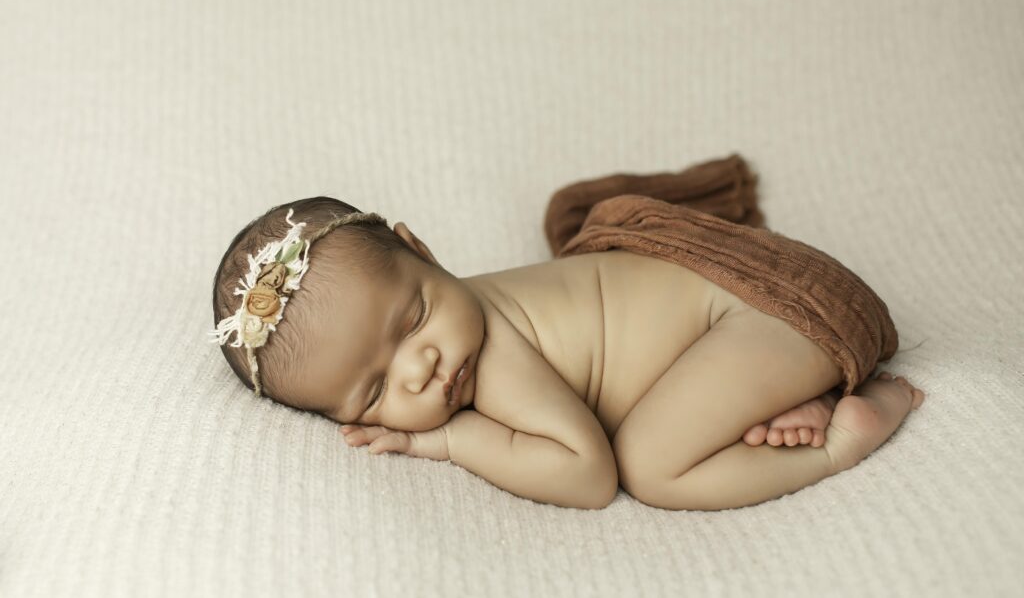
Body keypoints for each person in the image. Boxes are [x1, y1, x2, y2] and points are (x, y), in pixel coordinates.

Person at [209, 195, 924, 510]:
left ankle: (840, 440)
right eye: (374, 391)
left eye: (416, 316)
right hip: (743, 330)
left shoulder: (488, 353)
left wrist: (452, 440)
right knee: (670, 417)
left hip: (771, 312)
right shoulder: (457, 322)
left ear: (423, 251)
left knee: (651, 465)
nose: (420, 367)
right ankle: (787, 392)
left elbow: (586, 472)